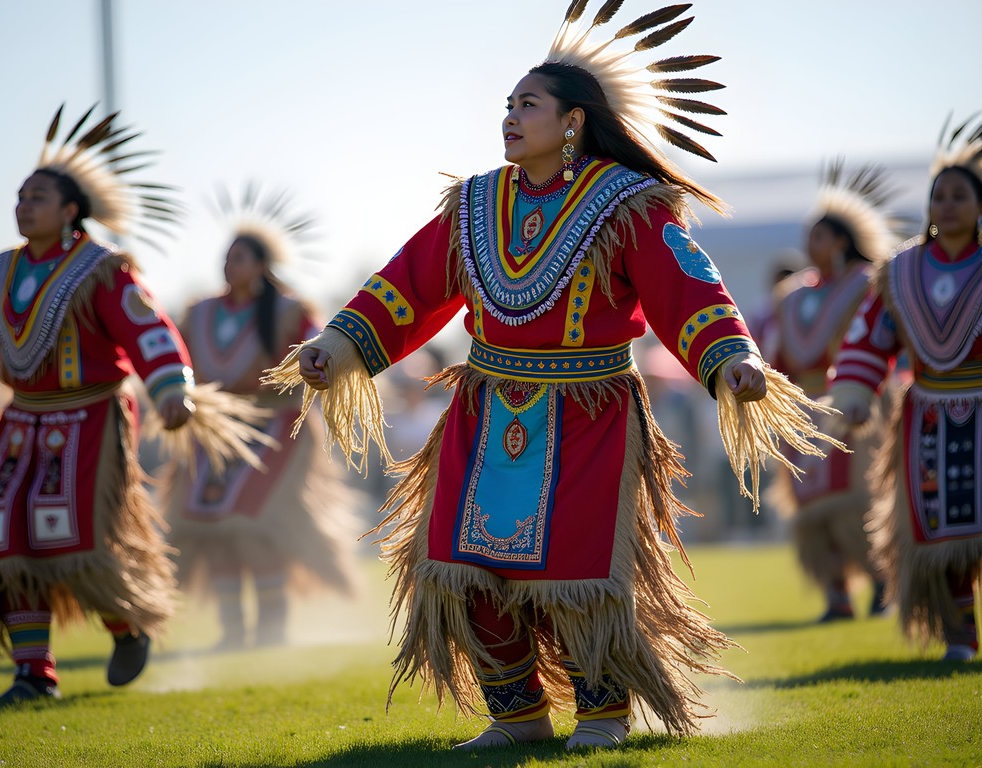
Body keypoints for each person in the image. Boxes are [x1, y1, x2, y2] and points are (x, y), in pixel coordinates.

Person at [266, 1, 834, 750]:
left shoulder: (627, 204)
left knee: (577, 572)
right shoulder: (474, 204)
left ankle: (601, 713)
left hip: (588, 413)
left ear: (572, 122)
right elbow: (408, 285)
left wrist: (732, 358)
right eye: (507, 104)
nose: (509, 116)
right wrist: (339, 346)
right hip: (486, 407)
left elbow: (687, 288)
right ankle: (517, 714)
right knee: (460, 564)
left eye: (527, 104)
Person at [0, 105, 263, 703]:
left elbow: (147, 329)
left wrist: (171, 386)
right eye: (19, 196)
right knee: (3, 536)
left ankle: (126, 626)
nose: (23, 205)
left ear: (70, 209)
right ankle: (32, 676)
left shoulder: (100, 270)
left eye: (37, 196)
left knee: (75, 538)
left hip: (91, 415)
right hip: (21, 420)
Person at [162, 187, 356, 650]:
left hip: (275, 430)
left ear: (262, 265)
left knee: (256, 526)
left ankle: (271, 629)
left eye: (240, 257)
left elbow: (318, 342)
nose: (229, 265)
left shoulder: (290, 312)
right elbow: (174, 357)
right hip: (213, 433)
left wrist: (321, 357)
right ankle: (233, 632)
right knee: (217, 532)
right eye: (226, 257)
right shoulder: (199, 313)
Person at [831, 115, 982, 662]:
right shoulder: (901, 272)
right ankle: (961, 636)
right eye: (939, 195)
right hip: (928, 418)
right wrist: (854, 392)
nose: (947, 204)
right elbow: (871, 336)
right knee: (940, 532)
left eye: (960, 195)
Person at [770, 162, 905, 621]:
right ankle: (835, 593)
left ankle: (884, 582)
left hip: (853, 403)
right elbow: (781, 356)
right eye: (809, 236)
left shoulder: (868, 283)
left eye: (821, 236)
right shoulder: (792, 295)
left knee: (856, 498)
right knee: (811, 509)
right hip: (803, 410)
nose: (812, 244)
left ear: (842, 241)